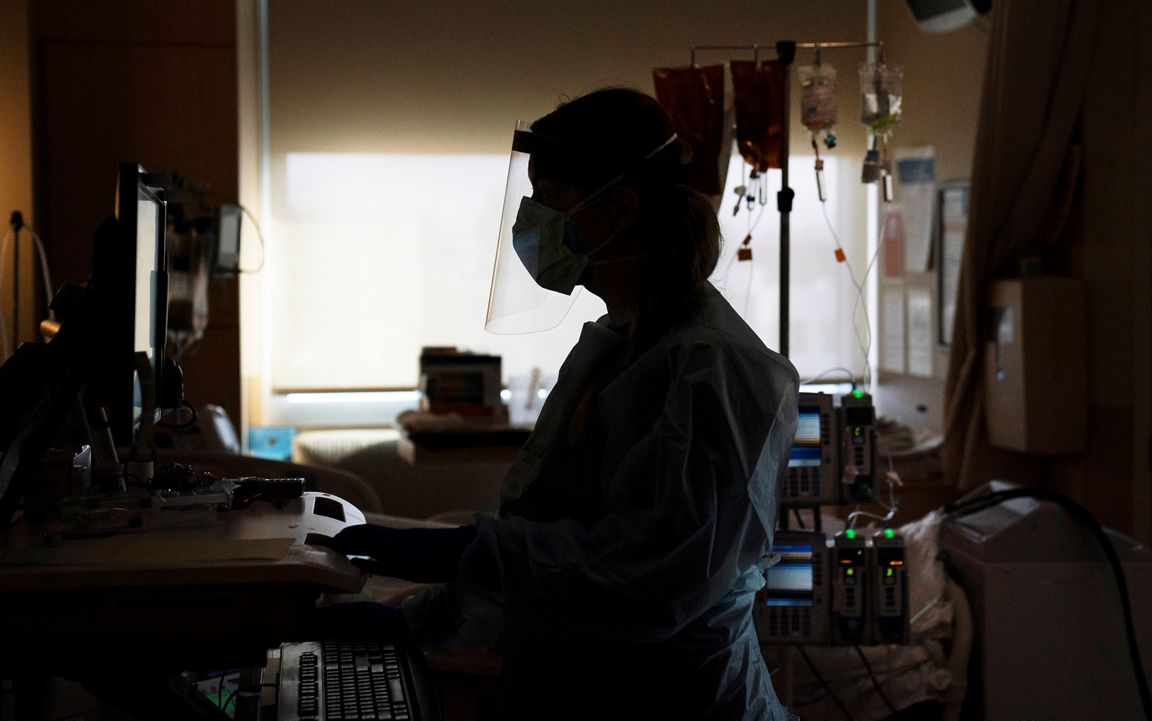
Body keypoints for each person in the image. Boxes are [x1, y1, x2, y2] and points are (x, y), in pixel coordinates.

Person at [323, 88, 799, 720]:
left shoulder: (718, 369)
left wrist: (468, 550)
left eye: (551, 198)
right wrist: (418, 621)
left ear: (621, 207)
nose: (533, 220)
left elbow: (654, 579)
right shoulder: (613, 343)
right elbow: (547, 545)